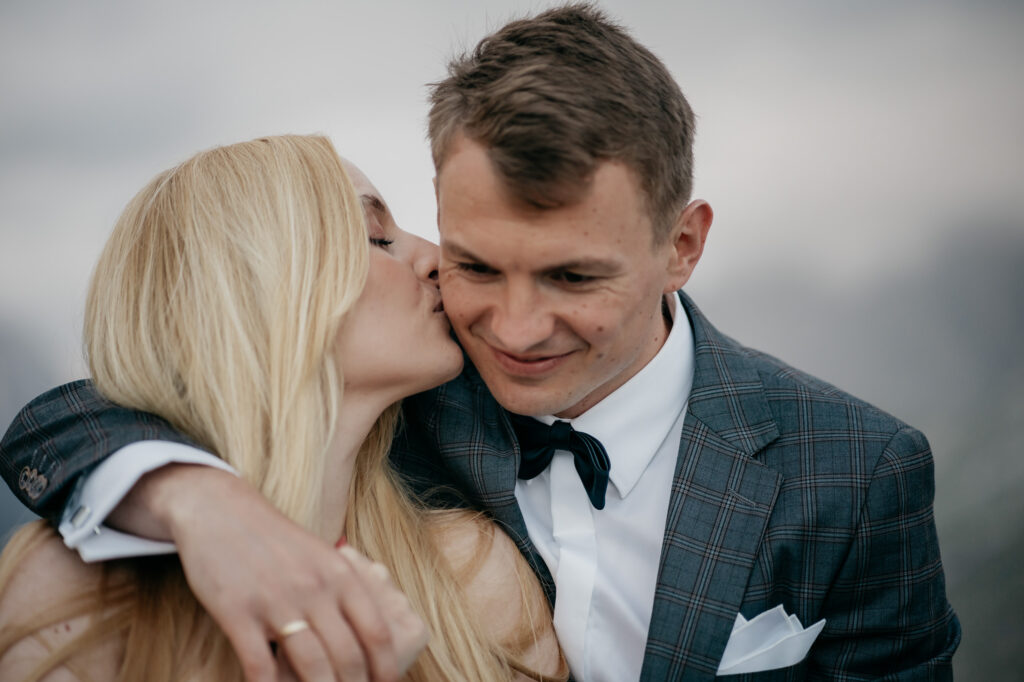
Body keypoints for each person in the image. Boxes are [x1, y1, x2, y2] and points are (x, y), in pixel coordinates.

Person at [1, 4, 959, 680]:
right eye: (473, 264)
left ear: (682, 245)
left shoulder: (855, 477)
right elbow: (79, 417)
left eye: (573, 278)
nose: (512, 328)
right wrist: (204, 507)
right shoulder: (412, 399)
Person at [0, 135, 565, 681]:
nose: (437, 258)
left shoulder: (473, 576)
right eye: (376, 237)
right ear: (255, 292)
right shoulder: (67, 600)